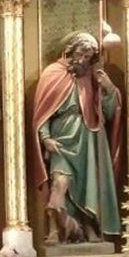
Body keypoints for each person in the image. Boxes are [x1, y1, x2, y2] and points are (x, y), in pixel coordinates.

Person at [31, 31, 123, 245]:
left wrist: (108, 88)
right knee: (59, 184)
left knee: (87, 185)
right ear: (71, 50)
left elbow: (108, 113)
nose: (83, 59)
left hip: (87, 137)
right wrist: (45, 138)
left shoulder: (92, 77)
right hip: (61, 138)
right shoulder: (52, 73)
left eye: (88, 56)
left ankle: (89, 227)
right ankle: (54, 230)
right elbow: (43, 113)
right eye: (81, 53)